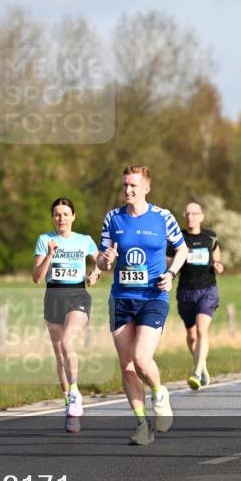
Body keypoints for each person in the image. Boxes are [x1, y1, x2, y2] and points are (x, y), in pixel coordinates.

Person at [98, 166, 188, 445]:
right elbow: (100, 262)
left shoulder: (163, 217)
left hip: (153, 297)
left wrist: (171, 274)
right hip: (122, 299)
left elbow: (182, 249)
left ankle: (159, 393)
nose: (128, 190)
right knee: (126, 367)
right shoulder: (113, 218)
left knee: (141, 359)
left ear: (146, 188)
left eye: (134, 186)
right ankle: (141, 424)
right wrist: (106, 260)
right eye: (125, 185)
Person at [32, 198, 101, 434]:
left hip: (77, 296)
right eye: (57, 214)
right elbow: (37, 278)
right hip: (53, 297)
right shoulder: (44, 240)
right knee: (60, 356)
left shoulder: (85, 240)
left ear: (74, 216)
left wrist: (95, 273)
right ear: (53, 217)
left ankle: (74, 394)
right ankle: (69, 403)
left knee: (68, 343)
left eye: (65, 214)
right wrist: (50, 255)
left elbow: (99, 261)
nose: (61, 218)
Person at [167, 201, 223, 390]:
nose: (190, 217)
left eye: (194, 213)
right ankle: (202, 364)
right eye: (187, 213)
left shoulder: (210, 237)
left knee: (201, 329)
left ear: (201, 216)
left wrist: (218, 265)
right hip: (185, 291)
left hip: (207, 289)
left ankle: (197, 373)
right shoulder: (177, 238)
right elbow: (168, 263)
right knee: (191, 335)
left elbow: (217, 258)